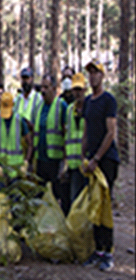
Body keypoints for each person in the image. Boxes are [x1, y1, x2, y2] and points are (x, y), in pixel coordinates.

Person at [82, 59, 119, 272]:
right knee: (93, 204)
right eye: (90, 73)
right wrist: (83, 156)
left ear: (102, 76)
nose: (92, 76)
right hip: (91, 162)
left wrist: (96, 157)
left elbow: (110, 132)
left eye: (96, 72)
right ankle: (97, 250)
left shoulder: (108, 100)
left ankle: (109, 251)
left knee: (104, 204)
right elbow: (86, 131)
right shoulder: (89, 101)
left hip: (106, 160)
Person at [33, 74, 67, 200]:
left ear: (53, 88)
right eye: (42, 87)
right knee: (40, 194)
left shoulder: (61, 106)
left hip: (55, 160)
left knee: (56, 194)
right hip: (41, 159)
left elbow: (65, 133)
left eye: (46, 87)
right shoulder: (39, 107)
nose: (43, 90)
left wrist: (65, 162)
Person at [0, 92, 32, 192]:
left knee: (15, 201)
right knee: (1, 202)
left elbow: (30, 144)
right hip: (1, 168)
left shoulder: (19, 120)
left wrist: (26, 162)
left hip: (16, 170)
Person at [61, 72, 88, 215]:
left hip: (86, 164)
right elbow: (67, 135)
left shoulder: (90, 107)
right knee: (74, 200)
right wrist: (65, 161)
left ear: (85, 90)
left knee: (87, 201)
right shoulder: (69, 110)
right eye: (75, 90)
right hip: (72, 164)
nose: (77, 93)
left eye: (80, 89)